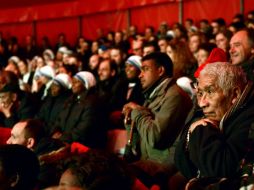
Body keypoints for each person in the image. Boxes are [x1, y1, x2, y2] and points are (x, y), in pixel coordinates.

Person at [174, 62, 254, 189]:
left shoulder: (250, 118)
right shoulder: (215, 111)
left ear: (234, 95)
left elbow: (219, 169)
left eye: (210, 92)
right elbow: (181, 161)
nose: (202, 103)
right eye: (200, 93)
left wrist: (202, 129)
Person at [122, 52, 192, 188]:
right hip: (147, 160)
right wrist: (130, 122)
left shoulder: (174, 96)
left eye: (145, 69)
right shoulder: (153, 95)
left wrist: (137, 111)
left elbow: (155, 137)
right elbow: (140, 140)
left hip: (162, 166)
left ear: (160, 71)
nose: (140, 75)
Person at [51, 71, 107, 148]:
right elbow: (59, 120)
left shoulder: (93, 103)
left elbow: (83, 131)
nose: (72, 84)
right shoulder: (70, 100)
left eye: (76, 82)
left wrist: (62, 138)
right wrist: (55, 132)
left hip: (81, 146)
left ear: (86, 84)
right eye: (72, 82)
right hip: (64, 142)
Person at [6, 119, 67, 188]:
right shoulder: (30, 156)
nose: (8, 141)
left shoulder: (46, 165)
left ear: (30, 143)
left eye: (14, 137)